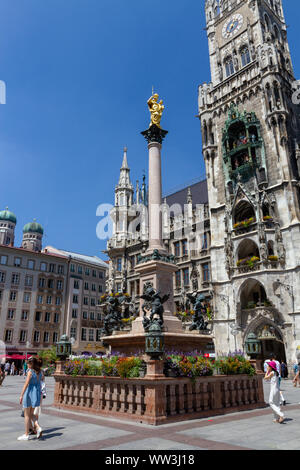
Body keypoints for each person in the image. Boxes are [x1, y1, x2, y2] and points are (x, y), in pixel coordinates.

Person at [18, 357, 43, 441]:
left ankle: (26, 434)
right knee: (31, 414)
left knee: (27, 415)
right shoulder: (39, 372)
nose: (27, 364)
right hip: (36, 394)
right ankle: (38, 427)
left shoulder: (30, 372)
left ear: (31, 364)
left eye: (28, 363)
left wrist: (21, 395)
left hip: (29, 393)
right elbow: (40, 383)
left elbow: (26, 384)